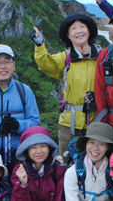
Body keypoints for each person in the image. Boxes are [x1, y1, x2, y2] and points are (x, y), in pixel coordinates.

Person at [32, 13, 100, 158]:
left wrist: (99, 97)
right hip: (69, 123)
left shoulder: (102, 57)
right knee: (68, 163)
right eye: (74, 28)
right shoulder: (65, 59)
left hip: (97, 119)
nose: (79, 31)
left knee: (96, 162)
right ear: (68, 36)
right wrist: (39, 45)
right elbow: (46, 63)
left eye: (82, 26)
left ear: (89, 31)